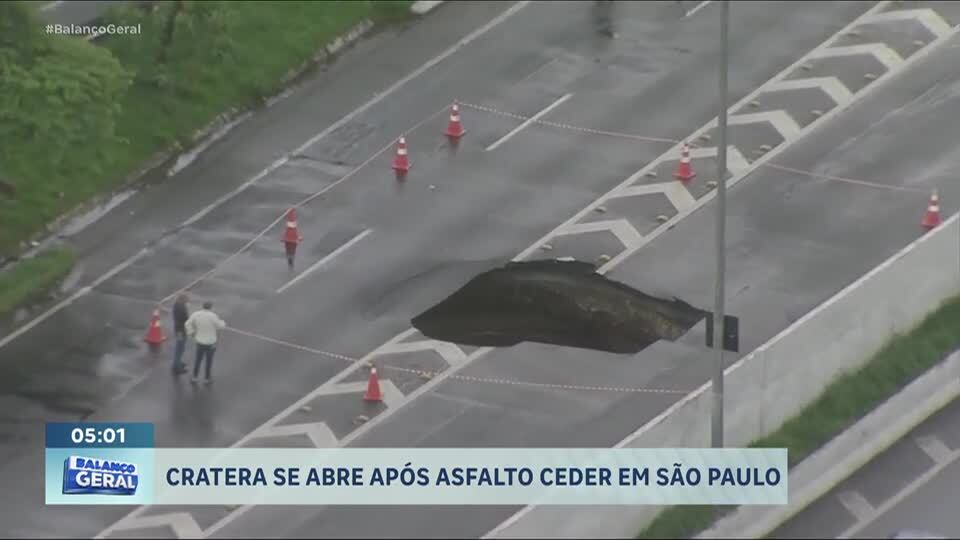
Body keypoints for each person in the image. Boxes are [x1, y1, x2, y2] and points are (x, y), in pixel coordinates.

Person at [184, 301, 226, 384]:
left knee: (198, 360)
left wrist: (191, 332)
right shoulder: (213, 316)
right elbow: (221, 326)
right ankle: (207, 378)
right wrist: (223, 322)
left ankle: (194, 377)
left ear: (202, 307)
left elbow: (187, 323)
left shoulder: (196, 314)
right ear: (211, 307)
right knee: (209, 361)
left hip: (200, 341)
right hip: (210, 342)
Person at [171, 294, 190, 375]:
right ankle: (176, 366)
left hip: (178, 329)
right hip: (181, 330)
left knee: (180, 347)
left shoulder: (176, 305)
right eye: (187, 300)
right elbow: (185, 318)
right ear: (183, 299)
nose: (188, 301)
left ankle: (178, 362)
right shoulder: (181, 308)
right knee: (180, 348)